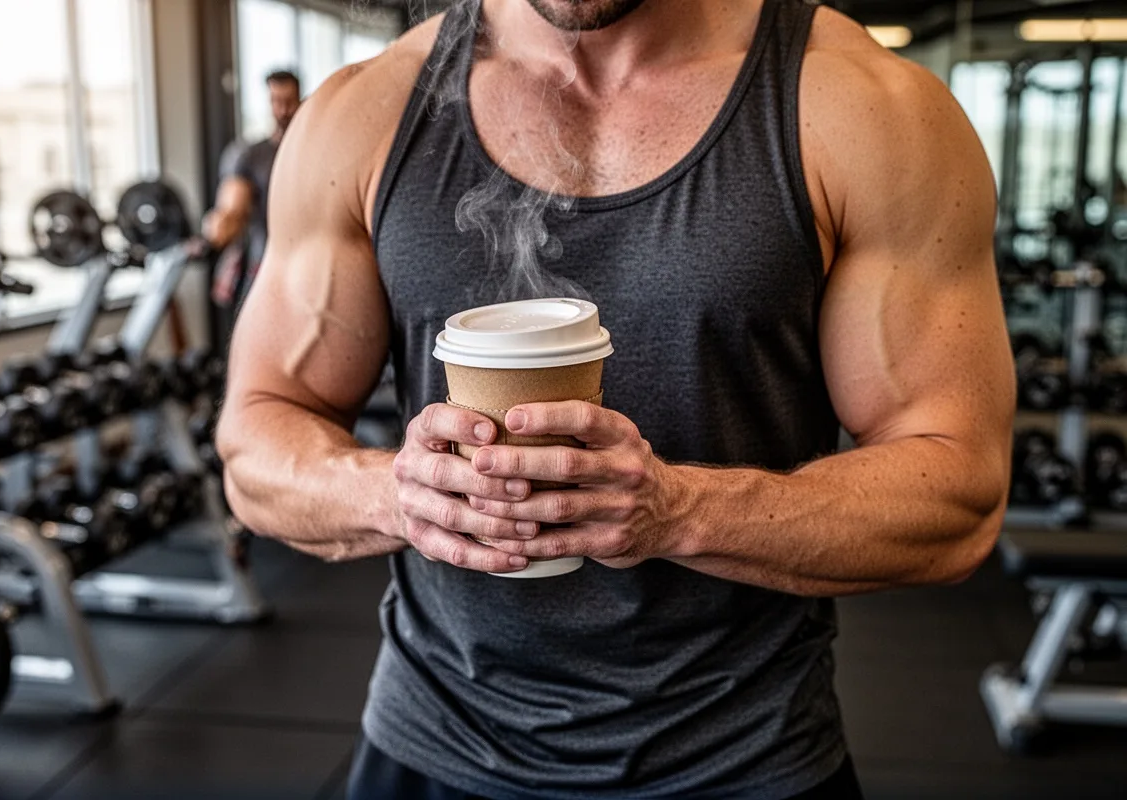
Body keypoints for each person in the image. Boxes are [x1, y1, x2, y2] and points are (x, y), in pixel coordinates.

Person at [218, 0, 1015, 797]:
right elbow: (255, 444)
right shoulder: (365, 114)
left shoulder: (863, 108)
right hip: (434, 746)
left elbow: (959, 494)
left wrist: (681, 512)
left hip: (742, 762)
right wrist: (404, 495)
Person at [202, 69, 302, 309]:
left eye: (289, 101)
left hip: (307, 262)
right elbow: (231, 210)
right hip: (264, 264)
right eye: (276, 101)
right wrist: (220, 224)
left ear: (299, 99)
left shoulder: (314, 150)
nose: (283, 110)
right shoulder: (251, 156)